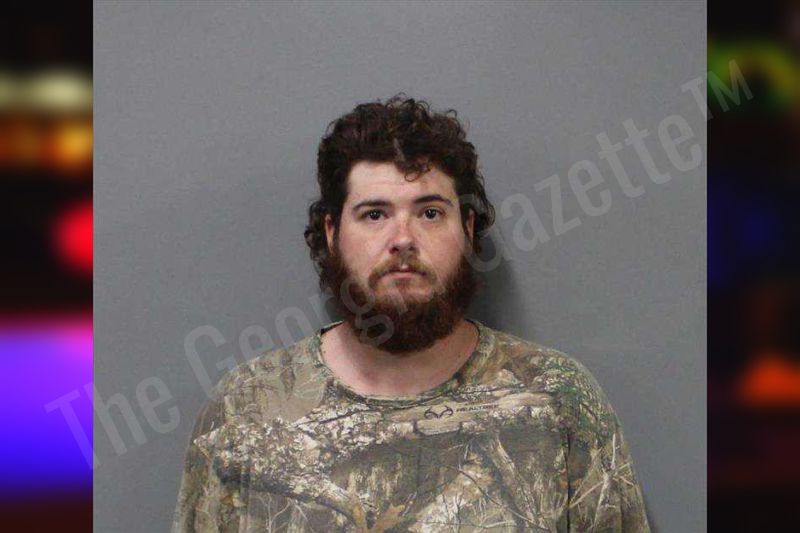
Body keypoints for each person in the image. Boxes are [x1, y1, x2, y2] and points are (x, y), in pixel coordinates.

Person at [171, 95, 651, 532]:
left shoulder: (557, 401)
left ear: (467, 228)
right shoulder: (245, 411)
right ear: (332, 233)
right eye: (374, 214)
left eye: (429, 213)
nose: (403, 239)